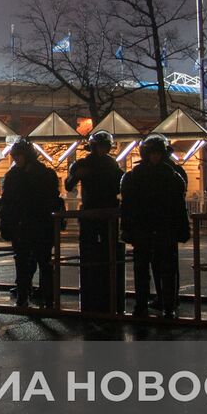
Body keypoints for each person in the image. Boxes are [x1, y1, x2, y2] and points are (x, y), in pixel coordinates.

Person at [120, 134, 190, 318]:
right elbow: (127, 207)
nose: (155, 157)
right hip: (153, 227)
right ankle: (152, 304)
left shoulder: (135, 176)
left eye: (157, 153)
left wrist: (127, 229)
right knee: (150, 268)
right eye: (153, 153)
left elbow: (178, 206)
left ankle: (162, 304)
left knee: (156, 268)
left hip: (150, 228)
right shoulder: (172, 176)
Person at [66, 129, 123, 314]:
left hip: (106, 211)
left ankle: (108, 287)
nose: (102, 150)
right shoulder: (85, 163)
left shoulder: (111, 164)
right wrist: (76, 175)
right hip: (92, 211)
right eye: (100, 146)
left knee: (110, 249)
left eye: (105, 146)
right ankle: (91, 287)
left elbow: (120, 183)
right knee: (89, 249)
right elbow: (69, 185)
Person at [0, 139, 61, 308]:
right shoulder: (45, 174)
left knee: (26, 261)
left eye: (17, 156)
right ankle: (45, 298)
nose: (15, 159)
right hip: (38, 225)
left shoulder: (15, 176)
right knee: (42, 262)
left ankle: (26, 295)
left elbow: (8, 202)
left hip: (27, 225)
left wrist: (6, 223)